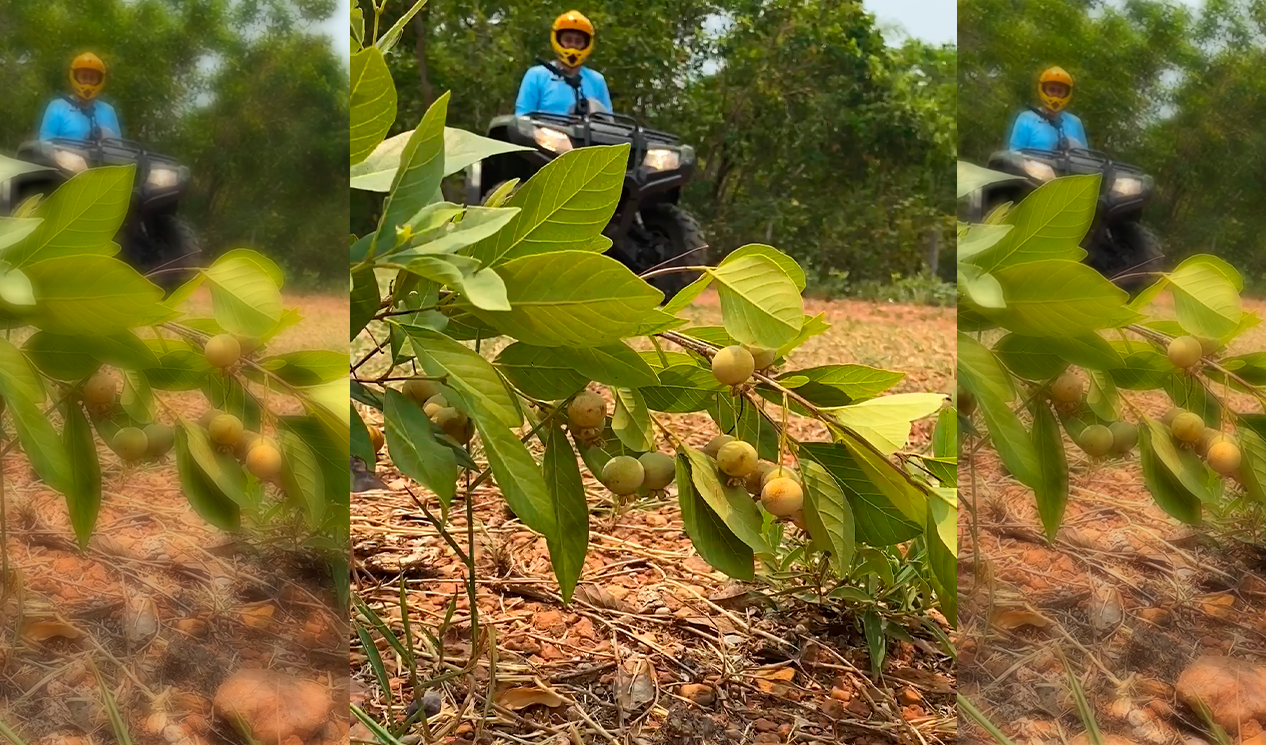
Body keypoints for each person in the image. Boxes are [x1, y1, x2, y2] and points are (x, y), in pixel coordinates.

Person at [515, 10, 613, 117]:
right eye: (568, 40)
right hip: (543, 127)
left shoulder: (597, 81)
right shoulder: (536, 76)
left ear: (586, 44)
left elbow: (607, 121)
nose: (573, 45)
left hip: (585, 128)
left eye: (578, 41)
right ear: (557, 40)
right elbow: (522, 117)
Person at [39, 52, 123, 143]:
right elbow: (45, 144)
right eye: (83, 77)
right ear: (75, 77)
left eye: (92, 78)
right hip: (63, 152)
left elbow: (118, 146)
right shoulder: (56, 108)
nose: (88, 82)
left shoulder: (108, 111)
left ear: (99, 80)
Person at [1007, 66, 1088, 151]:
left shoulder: (1075, 123)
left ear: (1066, 93)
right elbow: (1014, 154)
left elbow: (1084, 156)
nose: (1055, 94)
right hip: (1033, 160)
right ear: (1043, 90)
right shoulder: (1026, 119)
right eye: (1052, 90)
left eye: (1060, 91)